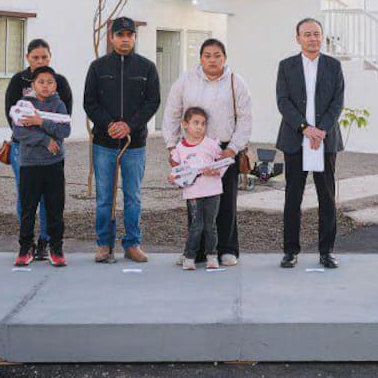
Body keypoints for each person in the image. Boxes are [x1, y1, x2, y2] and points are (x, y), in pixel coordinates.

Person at [161, 38, 253, 267]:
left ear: (225, 58)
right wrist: (172, 146)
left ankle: (227, 249)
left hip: (225, 150)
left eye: (217, 56)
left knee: (225, 201)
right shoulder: (186, 81)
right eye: (207, 56)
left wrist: (232, 149)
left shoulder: (236, 82)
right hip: (193, 150)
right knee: (196, 202)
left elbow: (245, 119)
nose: (212, 60)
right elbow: (172, 112)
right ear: (200, 58)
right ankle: (196, 252)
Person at [83, 16, 161, 264]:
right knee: (105, 197)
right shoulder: (97, 67)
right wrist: (109, 124)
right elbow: (90, 103)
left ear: (135, 37)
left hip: (134, 144)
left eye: (129, 35)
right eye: (120, 35)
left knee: (133, 196)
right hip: (104, 143)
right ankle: (104, 244)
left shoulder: (147, 68)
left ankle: (132, 244)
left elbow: (153, 102)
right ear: (112, 37)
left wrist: (129, 125)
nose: (125, 39)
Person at [275, 17, 344, 269]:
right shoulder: (286, 66)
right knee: (293, 197)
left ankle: (327, 252)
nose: (312, 38)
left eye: (316, 33)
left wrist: (321, 130)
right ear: (298, 39)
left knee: (327, 198)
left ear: (322, 37)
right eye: (307, 34)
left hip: (325, 140)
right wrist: (306, 129)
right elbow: (283, 102)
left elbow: (337, 102)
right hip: (296, 139)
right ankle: (290, 251)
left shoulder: (334, 66)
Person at [4, 39, 74, 261]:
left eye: (44, 57)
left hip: (53, 159)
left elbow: (64, 127)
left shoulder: (59, 99)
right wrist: (43, 139)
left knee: (53, 205)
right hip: (28, 159)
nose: (46, 85)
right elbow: (18, 128)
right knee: (27, 204)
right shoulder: (22, 95)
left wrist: (40, 121)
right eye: (35, 57)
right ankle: (26, 247)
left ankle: (51, 245)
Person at [168, 107, 225, 271]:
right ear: (185, 125)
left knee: (210, 225)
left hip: (213, 191)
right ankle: (189, 257)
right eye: (196, 123)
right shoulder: (179, 148)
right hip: (193, 192)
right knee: (196, 225)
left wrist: (216, 171)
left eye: (203, 124)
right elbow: (177, 171)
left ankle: (212, 256)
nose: (200, 127)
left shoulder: (211, 145)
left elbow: (223, 163)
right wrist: (173, 178)